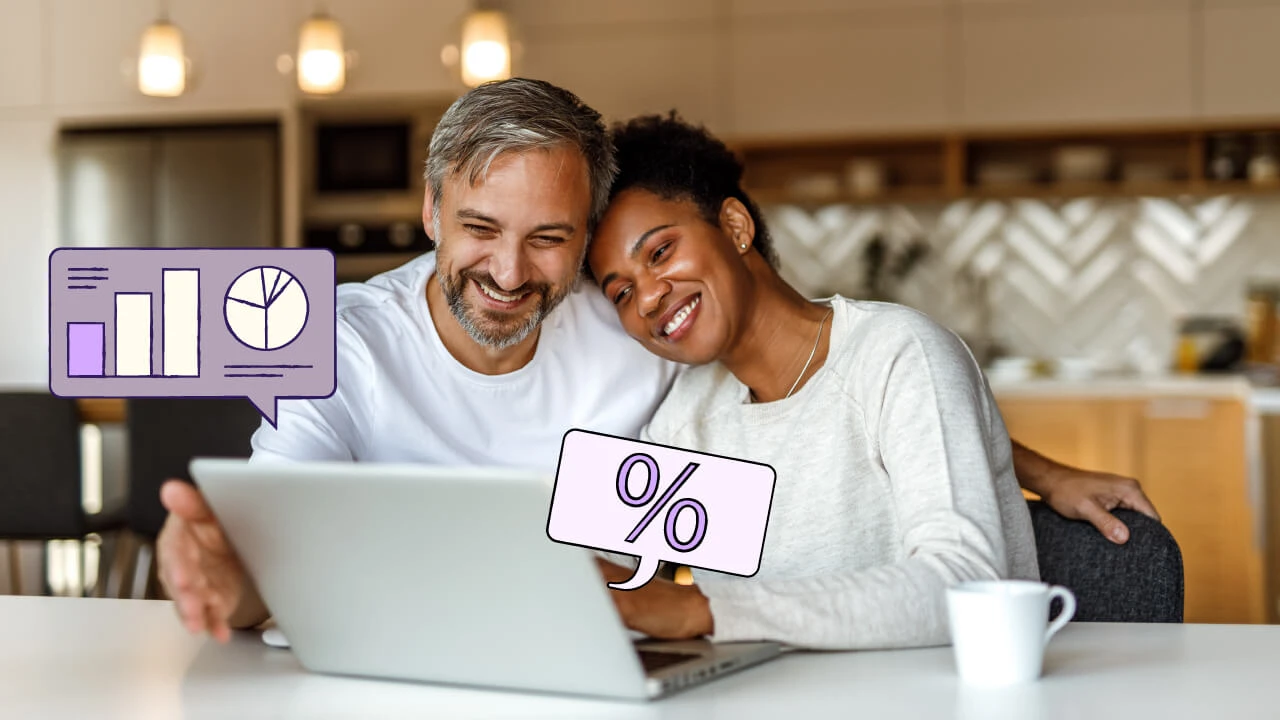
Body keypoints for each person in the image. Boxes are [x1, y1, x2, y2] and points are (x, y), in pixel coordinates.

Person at [156, 79, 1158, 644]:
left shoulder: (697, 346)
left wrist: (1010, 460)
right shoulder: (671, 384)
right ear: (431, 214)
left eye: (552, 240)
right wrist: (237, 571)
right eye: (621, 286)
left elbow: (860, 395)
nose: (509, 272)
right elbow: (599, 551)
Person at [582, 113, 1129, 649]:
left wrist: (702, 611)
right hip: (764, 695)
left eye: (660, 252)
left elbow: (964, 580)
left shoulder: (898, 354)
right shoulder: (686, 418)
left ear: (735, 227)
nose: (647, 297)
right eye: (621, 292)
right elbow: (602, 572)